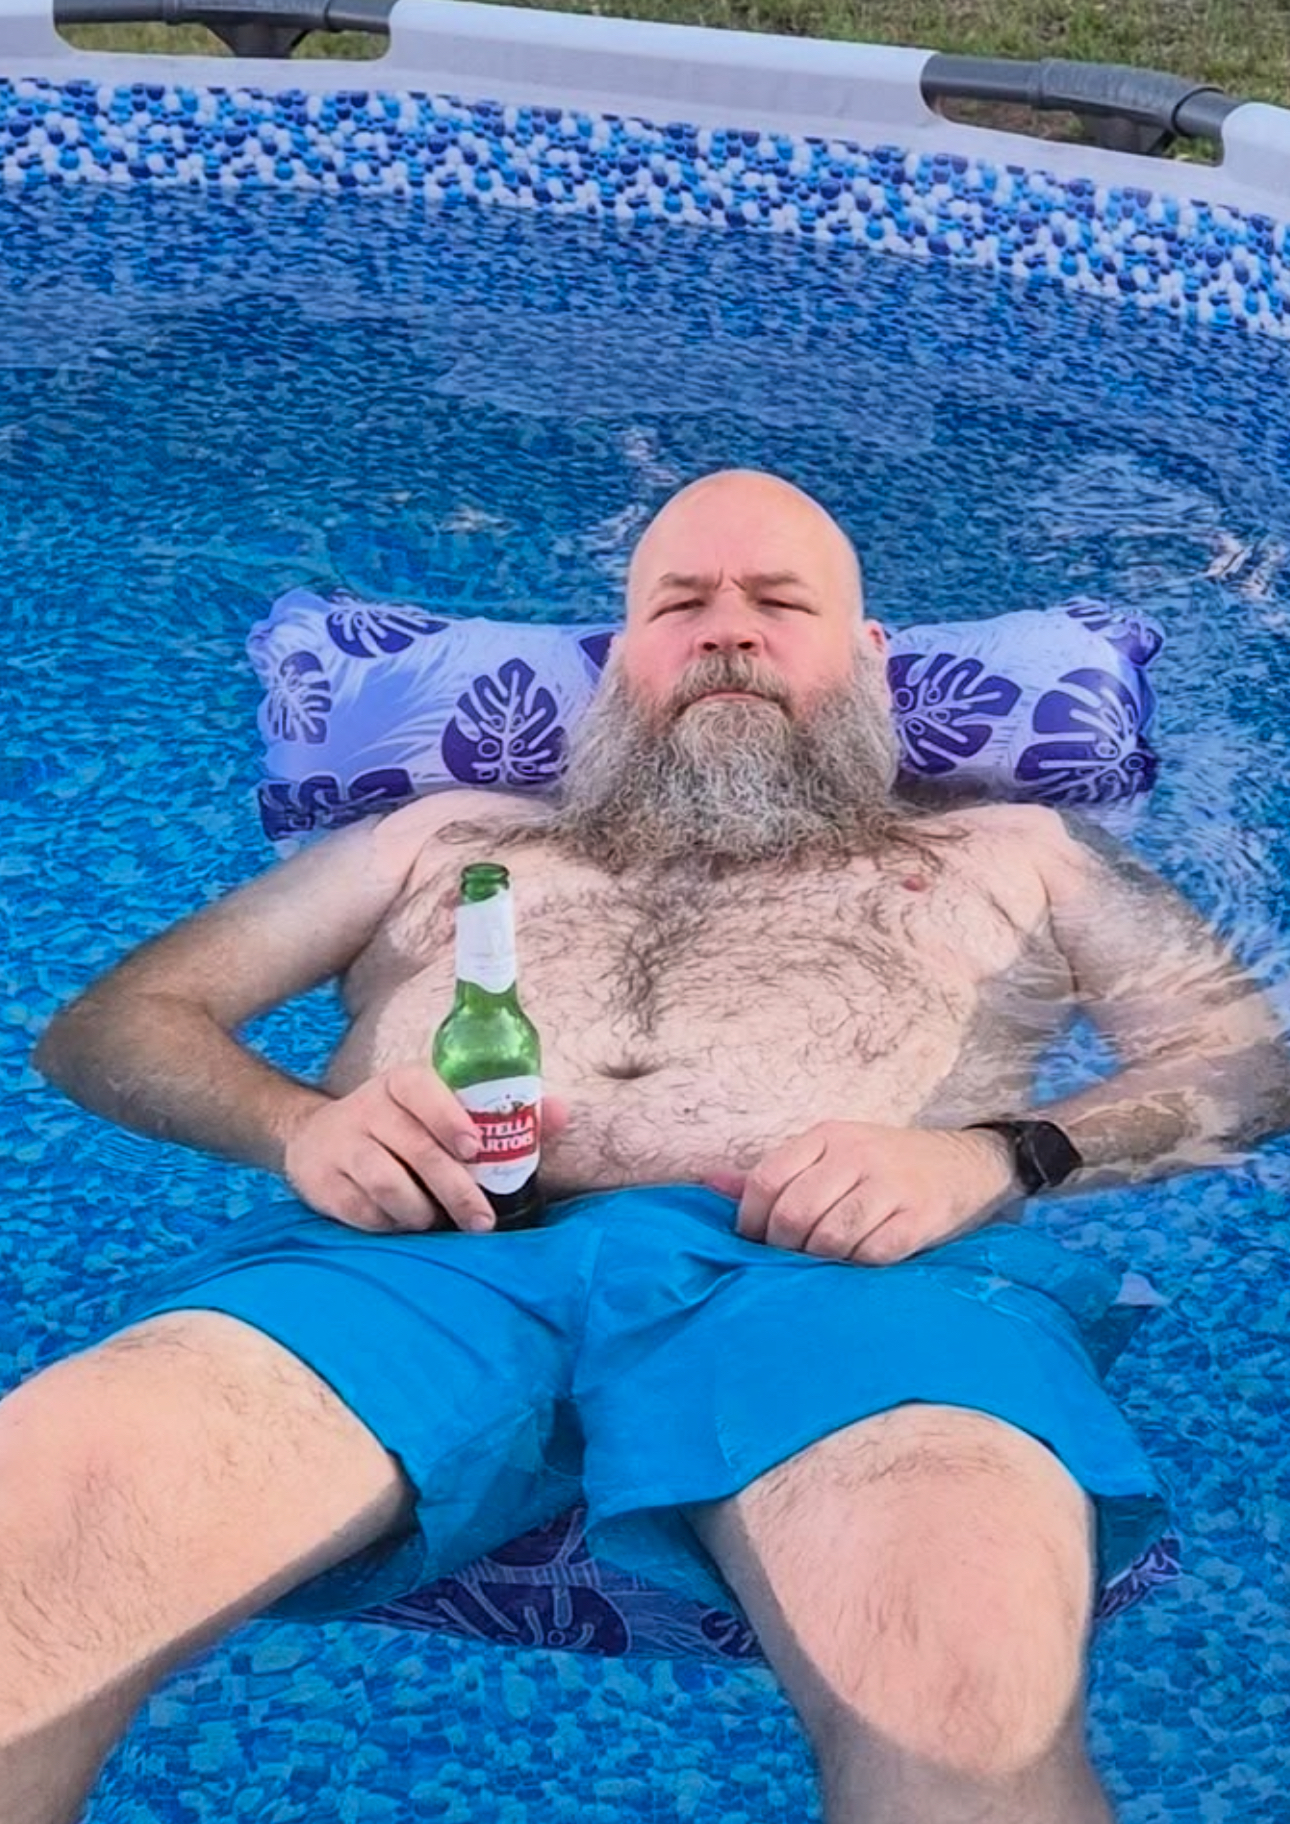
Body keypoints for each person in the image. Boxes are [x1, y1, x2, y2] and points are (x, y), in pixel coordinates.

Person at [7, 469, 1288, 1824]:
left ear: (868, 656)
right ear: (621, 662)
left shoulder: (1016, 851)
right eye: (680, 605)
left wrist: (998, 1156)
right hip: (414, 1257)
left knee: (961, 1676)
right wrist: (302, 1127)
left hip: (847, 1278)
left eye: (778, 602)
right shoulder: (442, 837)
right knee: (40, 1521)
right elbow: (114, 1024)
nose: (727, 627)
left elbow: (1245, 1065)